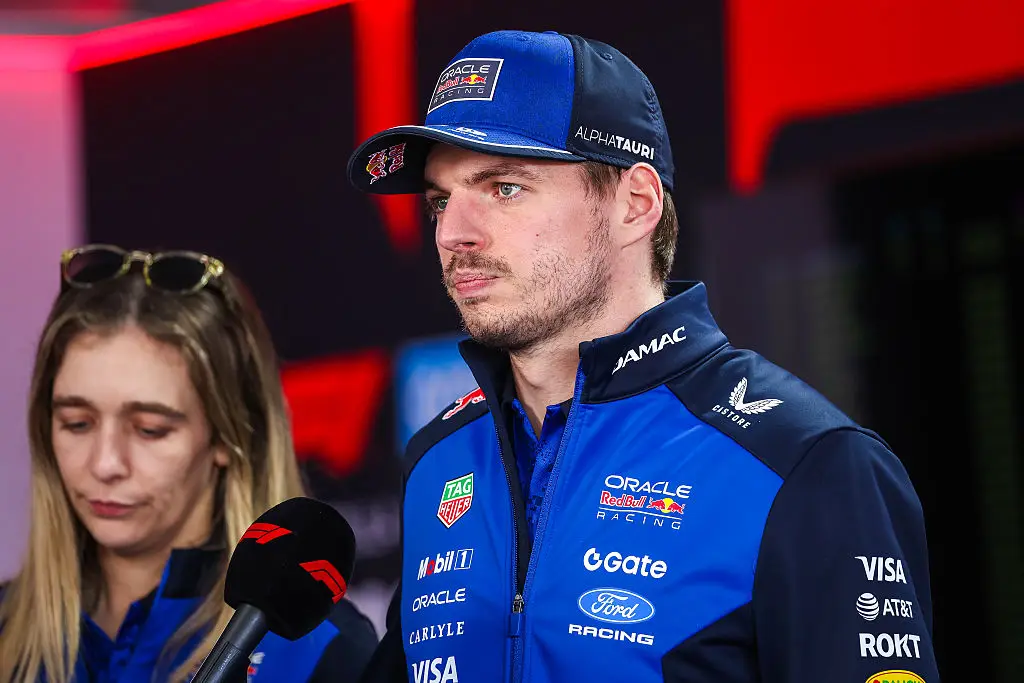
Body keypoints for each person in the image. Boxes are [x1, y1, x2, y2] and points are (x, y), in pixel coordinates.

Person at [346, 30, 940, 683]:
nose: (454, 233)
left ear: (636, 204)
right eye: (440, 200)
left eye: (504, 187)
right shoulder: (440, 460)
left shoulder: (801, 461)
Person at [0, 244, 378, 682]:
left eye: (150, 429)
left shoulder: (319, 651)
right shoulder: (8, 631)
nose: (105, 463)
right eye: (77, 423)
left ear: (227, 433)